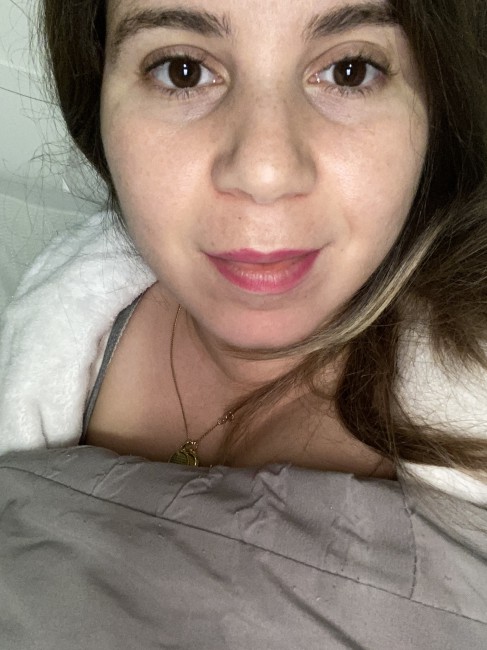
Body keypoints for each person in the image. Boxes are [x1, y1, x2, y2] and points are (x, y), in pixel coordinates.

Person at [0, 1, 486, 647]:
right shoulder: (53, 329)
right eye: (181, 70)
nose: (264, 172)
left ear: (434, 104)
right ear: (98, 95)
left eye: (349, 70)